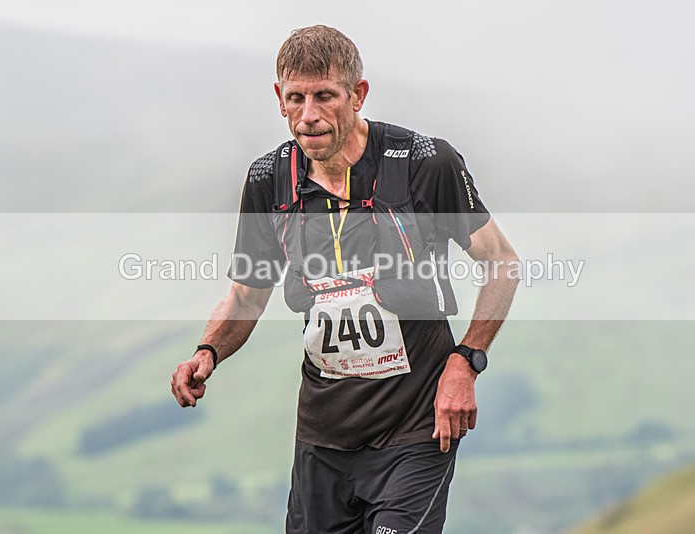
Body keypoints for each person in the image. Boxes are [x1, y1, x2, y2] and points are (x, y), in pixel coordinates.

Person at [171, 24, 519, 533]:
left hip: (415, 427)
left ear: (357, 94)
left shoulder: (424, 163)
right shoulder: (270, 180)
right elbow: (247, 293)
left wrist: (466, 361)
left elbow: (502, 263)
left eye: (325, 97)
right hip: (324, 435)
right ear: (279, 98)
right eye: (296, 98)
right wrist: (207, 352)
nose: (309, 116)